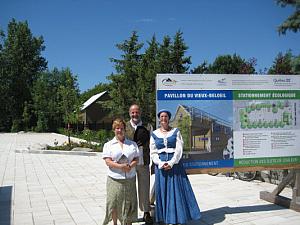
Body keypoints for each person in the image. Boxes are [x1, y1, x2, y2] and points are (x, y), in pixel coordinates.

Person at [150, 109, 201, 225]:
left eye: (166, 116)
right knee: (163, 191)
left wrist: (172, 162)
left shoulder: (176, 132)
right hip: (161, 166)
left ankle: (177, 218)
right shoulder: (154, 134)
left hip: (175, 165)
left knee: (176, 191)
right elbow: (153, 152)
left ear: (169, 118)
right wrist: (161, 163)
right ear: (159, 119)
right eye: (162, 116)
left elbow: (179, 149)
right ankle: (166, 218)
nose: (164, 118)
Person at [102, 118, 139, 225]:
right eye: (117, 128)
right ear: (114, 130)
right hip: (114, 179)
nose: (120, 130)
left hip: (130, 179)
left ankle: (127, 223)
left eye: (121, 128)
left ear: (125, 129)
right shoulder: (108, 145)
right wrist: (120, 166)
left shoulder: (132, 144)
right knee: (113, 202)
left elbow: (137, 159)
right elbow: (108, 161)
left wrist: (130, 166)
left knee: (128, 203)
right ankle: (115, 223)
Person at [125, 104, 153, 224]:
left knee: (144, 187)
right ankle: (130, 214)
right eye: (133, 112)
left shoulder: (148, 126)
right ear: (129, 113)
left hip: (144, 161)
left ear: (140, 112)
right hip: (129, 163)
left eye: (137, 112)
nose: (135, 114)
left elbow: (152, 143)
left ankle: (146, 212)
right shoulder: (124, 126)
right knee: (130, 189)